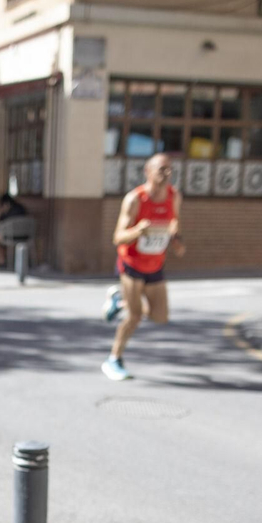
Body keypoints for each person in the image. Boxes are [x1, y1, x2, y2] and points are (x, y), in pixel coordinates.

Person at [103, 153, 184, 382]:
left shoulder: (174, 196)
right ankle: (113, 360)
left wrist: (176, 241)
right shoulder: (134, 199)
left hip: (155, 265)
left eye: (170, 170)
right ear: (147, 172)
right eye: (161, 170)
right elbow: (117, 237)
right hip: (131, 264)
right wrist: (139, 230)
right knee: (135, 317)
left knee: (161, 316)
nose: (167, 174)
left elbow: (174, 224)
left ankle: (121, 300)